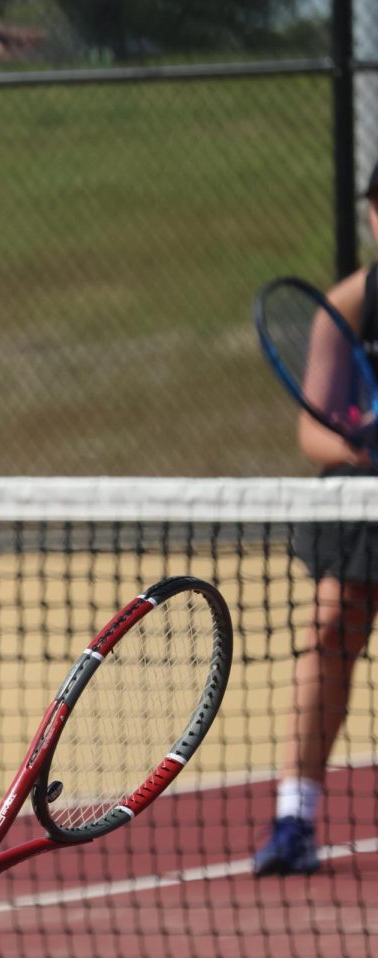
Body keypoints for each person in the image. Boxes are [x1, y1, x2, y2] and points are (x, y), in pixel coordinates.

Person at [254, 165, 378, 877]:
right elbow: (314, 432)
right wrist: (361, 456)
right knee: (330, 632)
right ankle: (294, 818)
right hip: (359, 503)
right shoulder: (349, 307)